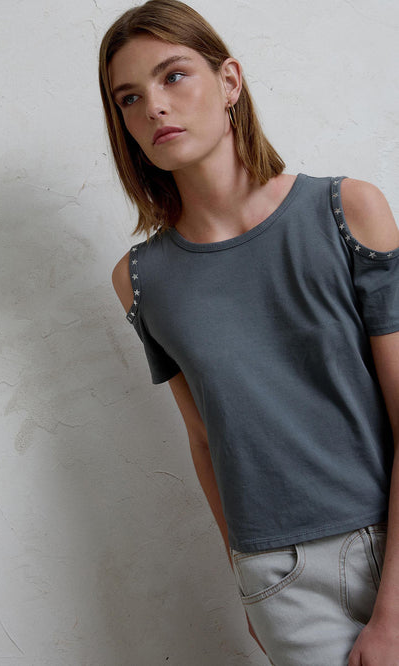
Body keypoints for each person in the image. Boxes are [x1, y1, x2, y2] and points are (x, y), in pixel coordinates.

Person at [98, 0, 399, 663]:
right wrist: (250, 583)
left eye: (173, 75)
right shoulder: (141, 279)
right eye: (129, 97)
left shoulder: (347, 211)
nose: (154, 106)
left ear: (229, 81)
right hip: (278, 577)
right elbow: (205, 438)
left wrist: (392, 612)